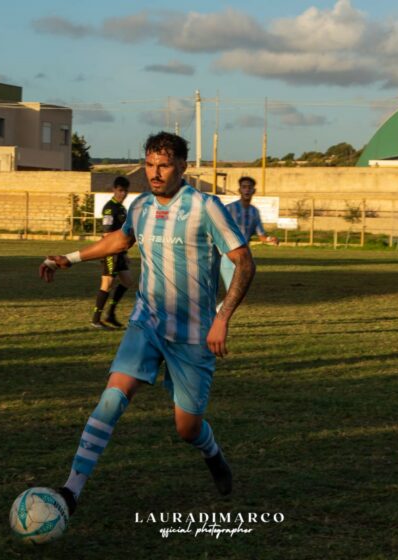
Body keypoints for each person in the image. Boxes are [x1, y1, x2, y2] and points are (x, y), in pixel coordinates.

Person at [38, 131, 254, 516]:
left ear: (183, 166)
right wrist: (70, 257)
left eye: (164, 165)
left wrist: (222, 318)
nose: (155, 173)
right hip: (147, 323)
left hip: (192, 335)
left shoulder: (206, 207)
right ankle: (71, 491)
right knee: (111, 398)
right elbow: (119, 242)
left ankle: (212, 452)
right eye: (150, 165)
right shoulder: (139, 206)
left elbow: (244, 262)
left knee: (187, 429)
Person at [220, 176, 277, 296]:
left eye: (249, 187)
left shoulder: (254, 212)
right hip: (228, 255)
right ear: (239, 190)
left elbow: (261, 235)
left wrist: (270, 239)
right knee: (234, 294)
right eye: (244, 187)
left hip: (244, 257)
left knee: (237, 294)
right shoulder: (229, 209)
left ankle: (216, 314)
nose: (246, 190)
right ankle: (216, 314)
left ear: (253, 191)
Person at [91, 176, 134, 329]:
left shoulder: (122, 208)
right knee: (107, 283)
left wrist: (124, 253)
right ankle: (96, 320)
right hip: (111, 251)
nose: (123, 194)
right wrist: (111, 251)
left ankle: (110, 314)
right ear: (114, 190)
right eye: (120, 190)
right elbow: (107, 234)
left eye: (126, 191)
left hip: (120, 252)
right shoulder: (110, 208)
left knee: (127, 281)